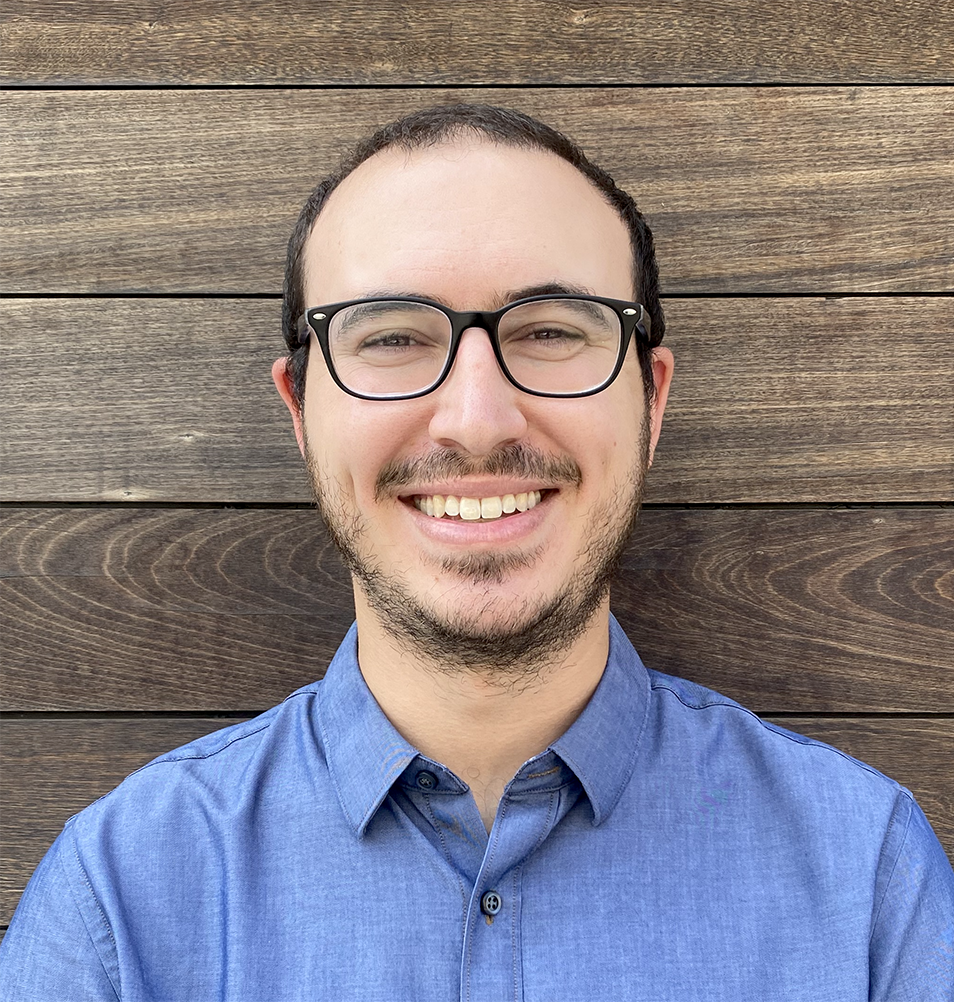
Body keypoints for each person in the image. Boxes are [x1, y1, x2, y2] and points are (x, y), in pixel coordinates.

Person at [1, 103, 951, 1002]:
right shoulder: (120, 901)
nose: (477, 419)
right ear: (300, 410)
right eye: (393, 337)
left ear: (651, 402)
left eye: (549, 331)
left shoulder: (865, 878)